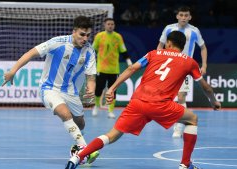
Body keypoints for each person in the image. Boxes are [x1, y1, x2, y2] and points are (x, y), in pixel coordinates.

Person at [65, 31, 221, 169]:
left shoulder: (153, 53)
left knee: (112, 135)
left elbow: (132, 68)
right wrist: (213, 101)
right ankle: (185, 164)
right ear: (183, 45)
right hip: (161, 104)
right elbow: (205, 87)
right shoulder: (189, 61)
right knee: (192, 119)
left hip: (138, 102)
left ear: (169, 43)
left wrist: (112, 88)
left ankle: (78, 156)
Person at [2, 16, 99, 164]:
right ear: (74, 32)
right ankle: (84, 150)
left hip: (70, 91)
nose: (85, 38)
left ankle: (76, 147)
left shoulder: (89, 51)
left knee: (80, 123)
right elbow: (31, 53)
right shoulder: (57, 42)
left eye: (87, 35)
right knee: (64, 113)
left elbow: (91, 77)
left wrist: (91, 90)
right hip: (49, 88)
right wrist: (13, 70)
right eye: (81, 34)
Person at [157, 6, 208, 138]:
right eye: (181, 15)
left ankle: (178, 128)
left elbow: (203, 48)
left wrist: (204, 64)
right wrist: (159, 61)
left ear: (190, 17)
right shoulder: (168, 28)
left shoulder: (194, 31)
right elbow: (160, 45)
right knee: (167, 98)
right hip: (169, 67)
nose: (184, 17)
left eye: (186, 15)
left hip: (184, 68)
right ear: (177, 16)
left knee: (181, 97)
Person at [91, 18, 132, 119]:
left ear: (114, 25)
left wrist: (129, 61)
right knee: (98, 89)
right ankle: (96, 106)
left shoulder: (118, 37)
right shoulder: (99, 36)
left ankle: (110, 110)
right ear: (105, 25)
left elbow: (123, 51)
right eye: (108, 24)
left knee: (112, 90)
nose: (110, 26)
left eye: (112, 24)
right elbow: (93, 50)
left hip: (114, 69)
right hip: (101, 68)